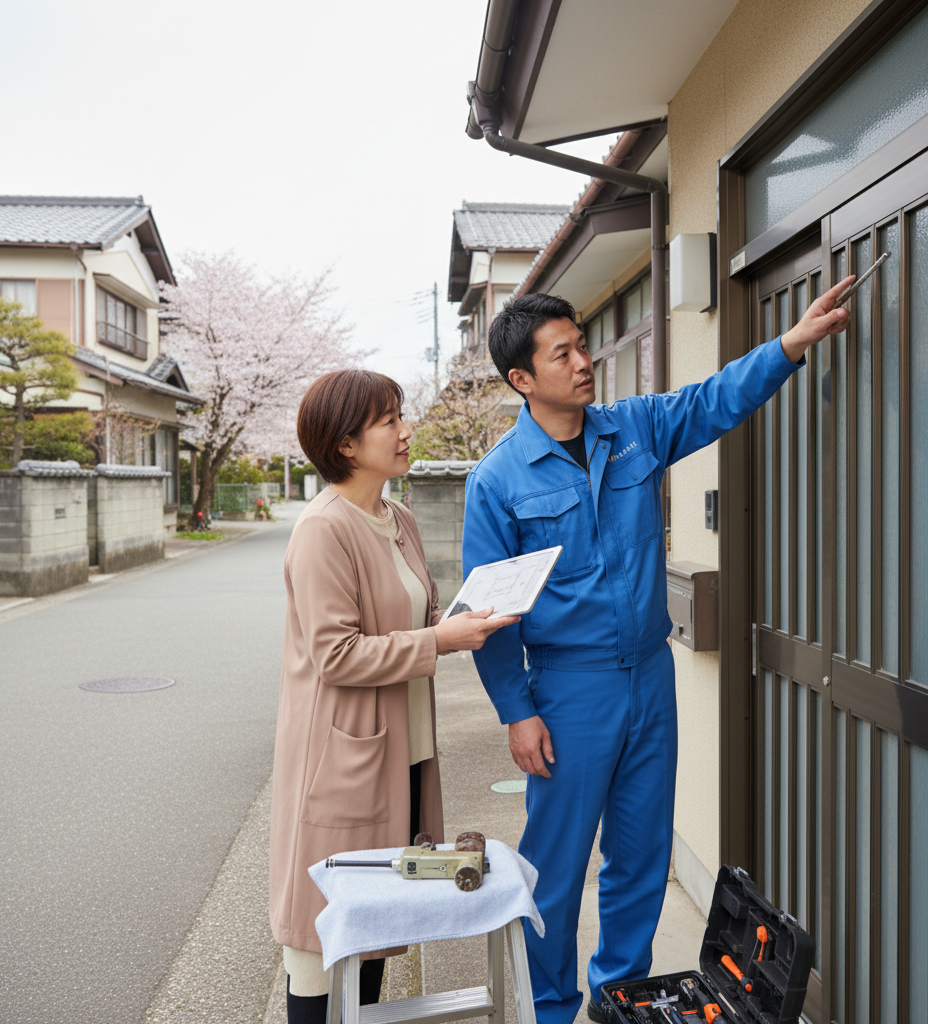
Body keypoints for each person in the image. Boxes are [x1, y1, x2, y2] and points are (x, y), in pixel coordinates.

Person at [462, 283, 853, 1024]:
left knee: (639, 862)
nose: (584, 361)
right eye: (564, 353)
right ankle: (550, 1008)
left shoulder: (632, 429)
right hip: (567, 693)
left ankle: (620, 1001)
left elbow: (713, 399)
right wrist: (518, 712)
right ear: (522, 379)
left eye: (582, 344)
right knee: (556, 870)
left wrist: (790, 346)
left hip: (650, 674)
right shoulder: (497, 481)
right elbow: (489, 618)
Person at [270, 369, 519, 1024]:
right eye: (389, 421)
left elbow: (423, 616)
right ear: (346, 444)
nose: (406, 431)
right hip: (344, 762)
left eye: (400, 415)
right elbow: (336, 655)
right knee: (322, 942)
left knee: (376, 931)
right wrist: (441, 638)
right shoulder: (324, 529)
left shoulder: (397, 517)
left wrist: (474, 616)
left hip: (403, 753)